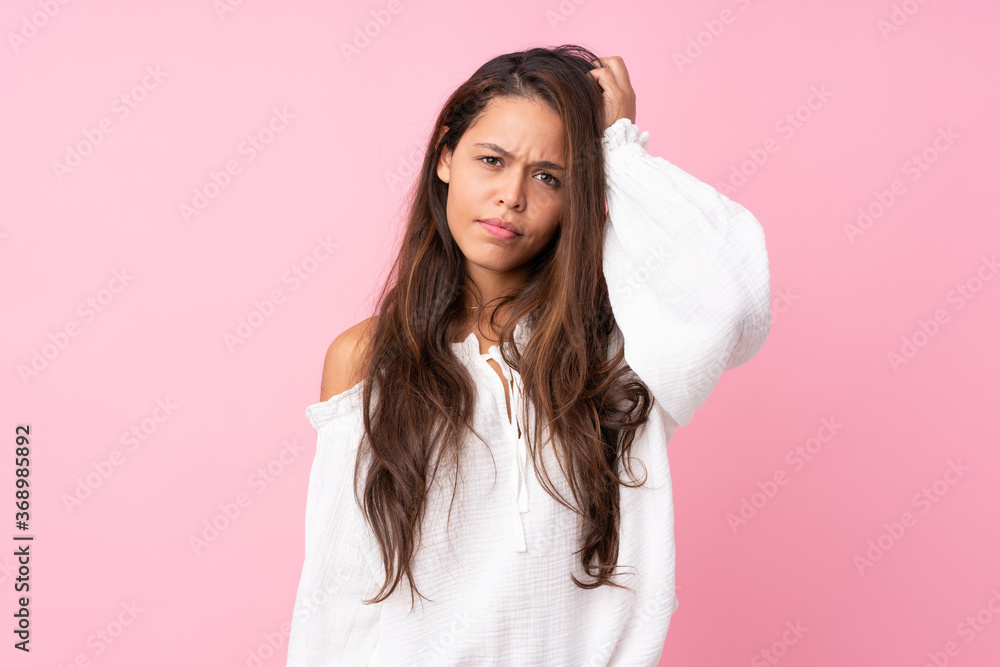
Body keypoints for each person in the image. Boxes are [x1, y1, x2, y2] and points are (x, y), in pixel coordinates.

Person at [286, 45, 771, 666]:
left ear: (579, 195)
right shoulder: (368, 359)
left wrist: (621, 149)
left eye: (549, 177)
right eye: (492, 161)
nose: (511, 196)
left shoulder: (625, 349)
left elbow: (735, 304)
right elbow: (338, 596)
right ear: (445, 156)